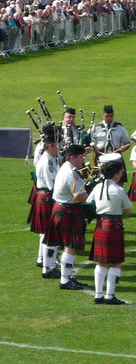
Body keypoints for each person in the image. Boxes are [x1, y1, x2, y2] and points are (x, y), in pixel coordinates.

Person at [87, 160, 133, 305]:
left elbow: (89, 204)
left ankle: (98, 295)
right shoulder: (120, 190)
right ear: (116, 174)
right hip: (114, 226)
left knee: (101, 262)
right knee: (116, 262)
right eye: (120, 173)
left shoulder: (97, 187)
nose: (121, 175)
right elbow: (128, 210)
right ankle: (110, 295)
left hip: (100, 225)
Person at [45, 144, 89, 290]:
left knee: (68, 246)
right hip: (68, 210)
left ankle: (69, 276)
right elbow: (84, 198)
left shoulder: (66, 168)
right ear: (72, 157)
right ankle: (65, 279)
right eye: (81, 156)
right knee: (71, 246)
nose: (83, 159)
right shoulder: (71, 174)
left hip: (61, 208)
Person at [30, 124, 61, 279]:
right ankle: (48, 267)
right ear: (50, 146)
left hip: (45, 197)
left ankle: (47, 263)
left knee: (47, 233)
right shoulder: (47, 162)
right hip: (48, 196)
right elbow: (52, 184)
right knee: (49, 234)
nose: (59, 148)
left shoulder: (50, 158)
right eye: (57, 146)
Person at [89, 104, 130, 183]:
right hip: (100, 157)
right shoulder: (96, 127)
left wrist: (125, 147)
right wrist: (94, 146)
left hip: (116, 157)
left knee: (118, 182)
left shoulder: (120, 127)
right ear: (103, 115)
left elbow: (127, 143)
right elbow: (90, 140)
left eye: (111, 116)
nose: (109, 118)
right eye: (107, 116)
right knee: (99, 182)